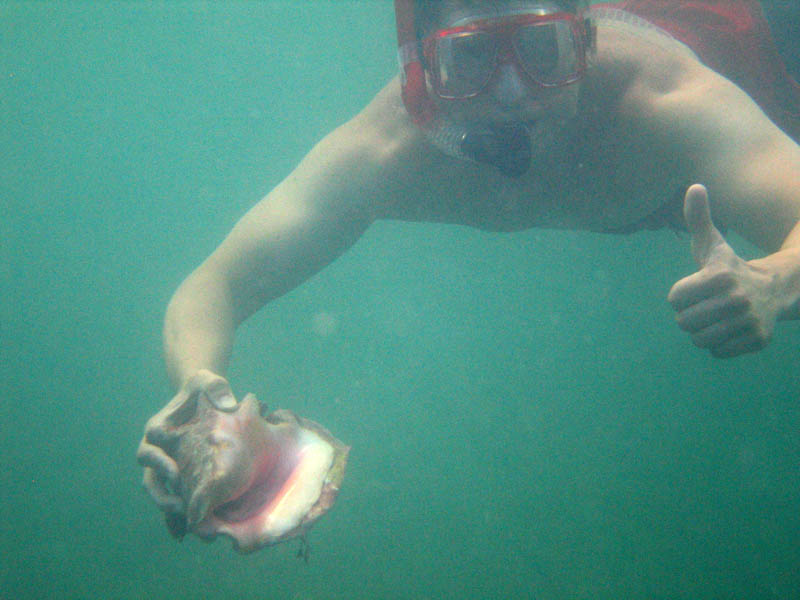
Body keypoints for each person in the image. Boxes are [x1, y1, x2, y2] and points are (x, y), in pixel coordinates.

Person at [138, 0, 800, 524]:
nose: (513, 94)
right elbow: (213, 287)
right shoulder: (387, 153)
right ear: (420, 67)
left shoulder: (667, 103)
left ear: (587, 44)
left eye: (545, 50)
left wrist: (775, 279)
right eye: (472, 56)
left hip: (761, 44)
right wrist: (203, 406)